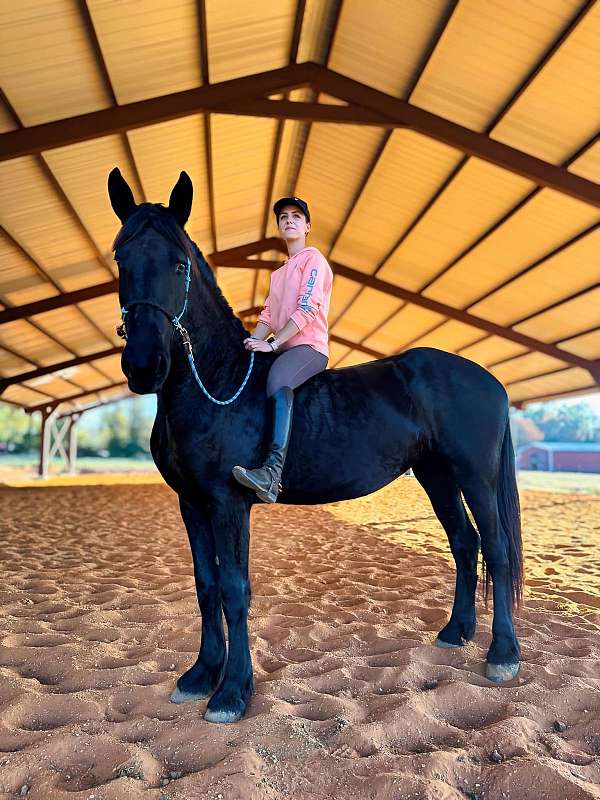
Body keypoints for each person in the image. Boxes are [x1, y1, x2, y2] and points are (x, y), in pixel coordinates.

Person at [232, 196, 333, 503]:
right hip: (282, 348)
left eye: (297, 216)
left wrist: (272, 343)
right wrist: (250, 343)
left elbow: (307, 309)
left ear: (307, 226)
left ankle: (272, 473)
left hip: (308, 348)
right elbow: (268, 316)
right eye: (284, 217)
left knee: (278, 379)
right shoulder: (278, 274)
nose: (289, 220)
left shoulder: (314, 259)